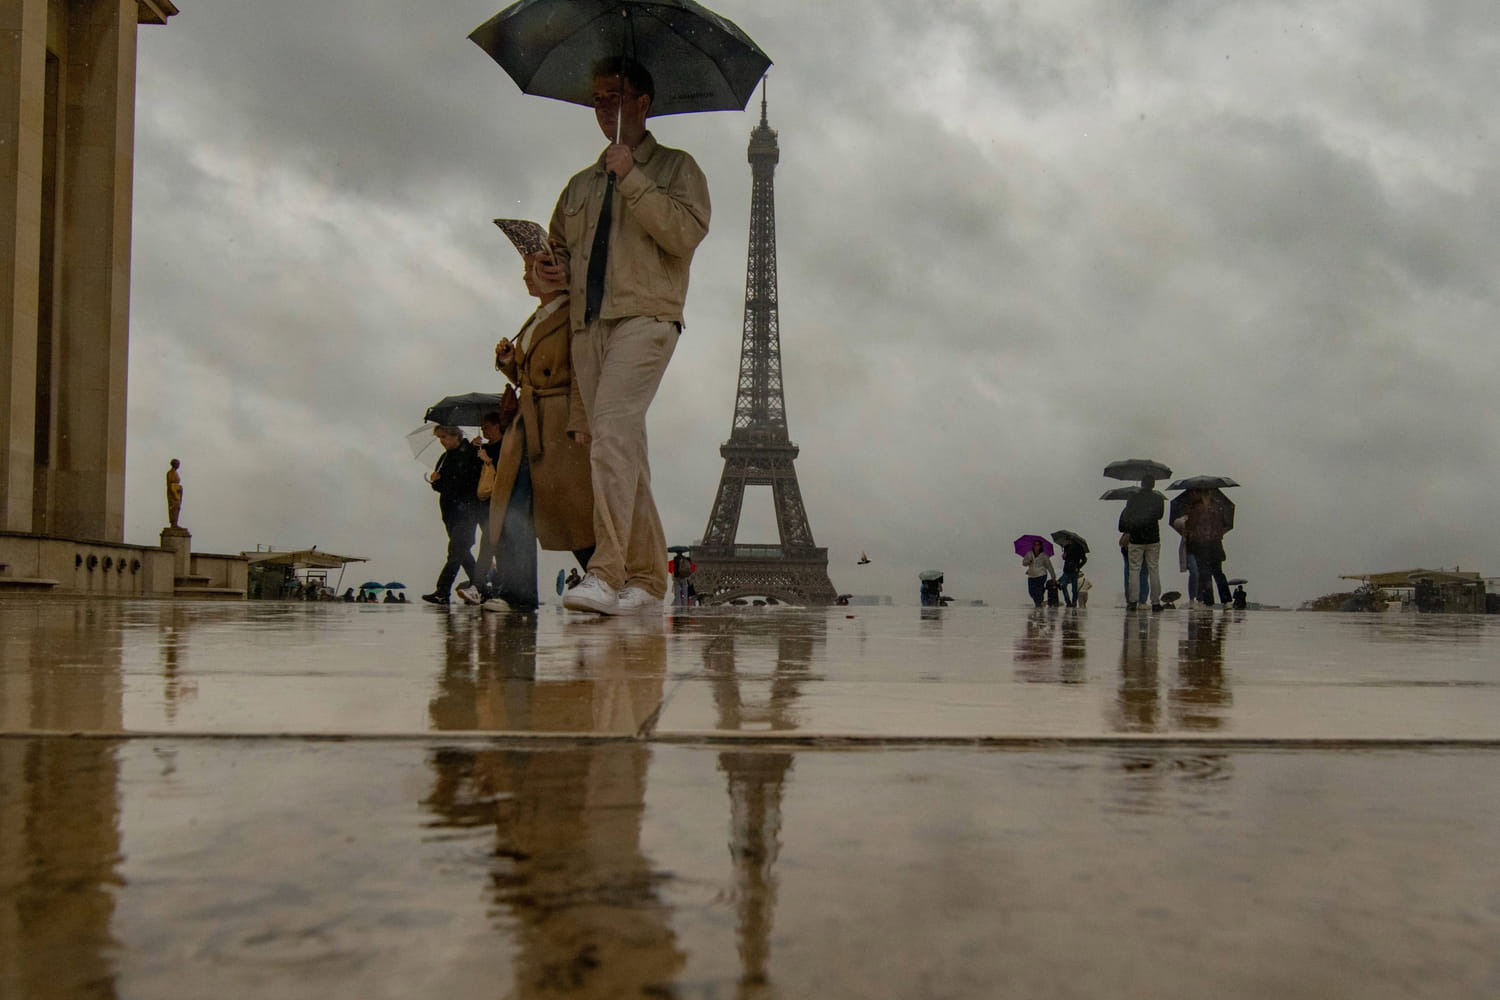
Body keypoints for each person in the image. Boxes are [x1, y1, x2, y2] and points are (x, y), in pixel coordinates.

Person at [536, 57, 711, 616]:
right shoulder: (578, 185)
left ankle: (606, 570)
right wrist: (543, 272)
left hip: (647, 317)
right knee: (617, 446)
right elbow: (557, 255)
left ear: (642, 102)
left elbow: (684, 235)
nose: (602, 107)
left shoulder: (678, 169)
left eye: (613, 96)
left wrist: (631, 176)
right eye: (596, 98)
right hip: (589, 325)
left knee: (612, 435)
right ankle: (647, 579)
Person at [484, 234, 597, 613]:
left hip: (559, 424)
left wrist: (582, 420)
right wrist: (509, 362)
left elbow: (583, 371)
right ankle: (517, 593)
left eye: (530, 269)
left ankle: (607, 580)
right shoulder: (536, 318)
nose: (525, 278)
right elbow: (530, 377)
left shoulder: (575, 315)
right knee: (516, 506)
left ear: (553, 271)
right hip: (529, 424)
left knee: (572, 511)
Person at [422, 425, 485, 606]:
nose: (442, 441)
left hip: (468, 510)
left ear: (456, 436)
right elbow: (441, 487)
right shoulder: (444, 457)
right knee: (461, 552)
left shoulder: (473, 452)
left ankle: (442, 590)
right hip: (450, 512)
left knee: (456, 550)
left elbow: (472, 481)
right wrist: (436, 481)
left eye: (444, 437)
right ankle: (484, 589)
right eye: (440, 438)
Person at [1118, 477, 1165, 611]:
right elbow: (1160, 516)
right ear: (1153, 484)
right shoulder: (1158, 499)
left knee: (1134, 570)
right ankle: (1155, 602)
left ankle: (1133, 601)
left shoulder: (1133, 498)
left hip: (1137, 538)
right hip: (1153, 537)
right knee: (1153, 569)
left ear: (1142, 484)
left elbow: (1128, 514)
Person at [1183, 489, 1232, 607]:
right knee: (1218, 573)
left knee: (1206, 574)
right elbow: (1225, 524)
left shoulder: (1195, 508)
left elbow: (1190, 526)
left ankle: (1209, 601)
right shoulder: (1218, 507)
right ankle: (1226, 600)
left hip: (1202, 544)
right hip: (1215, 544)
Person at [1021, 539, 1056, 608]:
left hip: (1041, 575)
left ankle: (1038, 604)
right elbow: (1023, 563)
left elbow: (1049, 566)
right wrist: (1028, 561)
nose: (1036, 546)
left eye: (1038, 545)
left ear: (1040, 546)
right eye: (1035, 545)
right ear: (1033, 546)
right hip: (1031, 575)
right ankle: (1039, 602)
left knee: (1038, 590)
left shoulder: (1044, 555)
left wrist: (1053, 576)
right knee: (1031, 592)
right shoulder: (1029, 554)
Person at [1059, 538, 1087, 608]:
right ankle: (1068, 602)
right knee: (1063, 585)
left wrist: (1078, 567)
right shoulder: (1066, 547)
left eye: (1067, 540)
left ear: (1070, 539)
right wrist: (1064, 556)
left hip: (1074, 570)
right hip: (1066, 570)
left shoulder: (1079, 548)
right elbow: (1065, 558)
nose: (1065, 541)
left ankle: (1073, 602)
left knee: (1074, 589)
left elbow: (1084, 559)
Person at [166, 459, 183, 527]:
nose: (178, 465)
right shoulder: (170, 473)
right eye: (177, 464)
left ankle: (175, 522)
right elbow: (169, 484)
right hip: (173, 493)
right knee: (174, 507)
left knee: (178, 507)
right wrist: (173, 492)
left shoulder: (176, 473)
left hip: (177, 492)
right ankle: (173, 523)